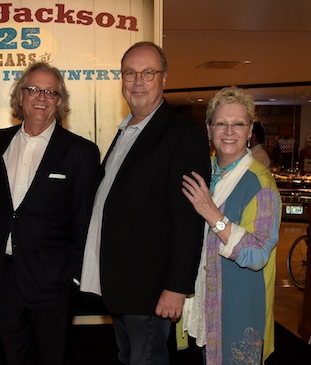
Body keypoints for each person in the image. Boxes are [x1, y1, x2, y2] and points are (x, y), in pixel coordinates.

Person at [80, 41, 211, 365]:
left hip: (152, 290)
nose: (138, 81)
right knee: (129, 357)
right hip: (123, 286)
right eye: (130, 73)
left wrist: (177, 287)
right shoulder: (127, 131)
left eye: (147, 73)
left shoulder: (182, 134)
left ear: (164, 78)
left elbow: (189, 219)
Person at [0, 62, 100, 365]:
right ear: (21, 96)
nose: (40, 97)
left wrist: (72, 277)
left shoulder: (81, 152)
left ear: (59, 102)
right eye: (33, 89)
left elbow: (84, 219)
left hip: (53, 284)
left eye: (50, 92)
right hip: (4, 280)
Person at [181, 86, 281, 364]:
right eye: (221, 123)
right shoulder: (202, 170)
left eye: (238, 124)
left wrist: (212, 214)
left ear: (250, 131)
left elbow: (259, 253)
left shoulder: (261, 184)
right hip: (202, 300)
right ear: (209, 128)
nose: (229, 131)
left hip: (240, 306)